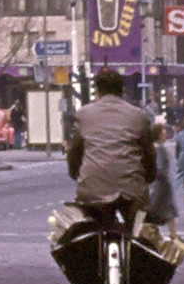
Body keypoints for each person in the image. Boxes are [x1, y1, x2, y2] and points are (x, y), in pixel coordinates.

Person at [66, 67, 161, 214]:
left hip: (92, 189)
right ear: (122, 91)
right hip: (131, 189)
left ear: (97, 91)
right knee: (140, 223)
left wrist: (76, 173)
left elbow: (74, 151)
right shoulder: (138, 116)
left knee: (88, 222)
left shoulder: (83, 115)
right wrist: (148, 177)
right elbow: (148, 153)